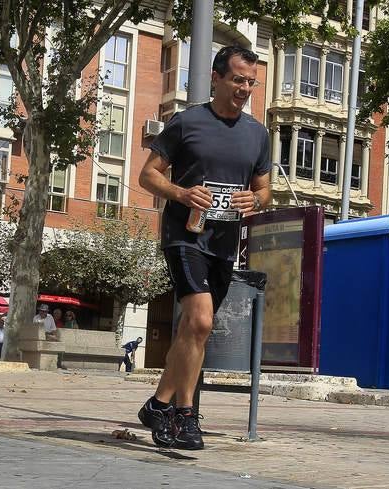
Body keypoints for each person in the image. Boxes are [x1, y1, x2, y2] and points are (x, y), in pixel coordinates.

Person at [137, 46, 271, 451]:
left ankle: (158, 405)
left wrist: (255, 200)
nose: (244, 88)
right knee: (199, 321)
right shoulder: (186, 122)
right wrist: (182, 193)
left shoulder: (257, 134)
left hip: (225, 244)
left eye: (251, 82)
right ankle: (184, 415)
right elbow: (148, 175)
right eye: (237, 79)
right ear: (216, 78)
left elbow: (264, 190)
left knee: (192, 329)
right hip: (185, 236)